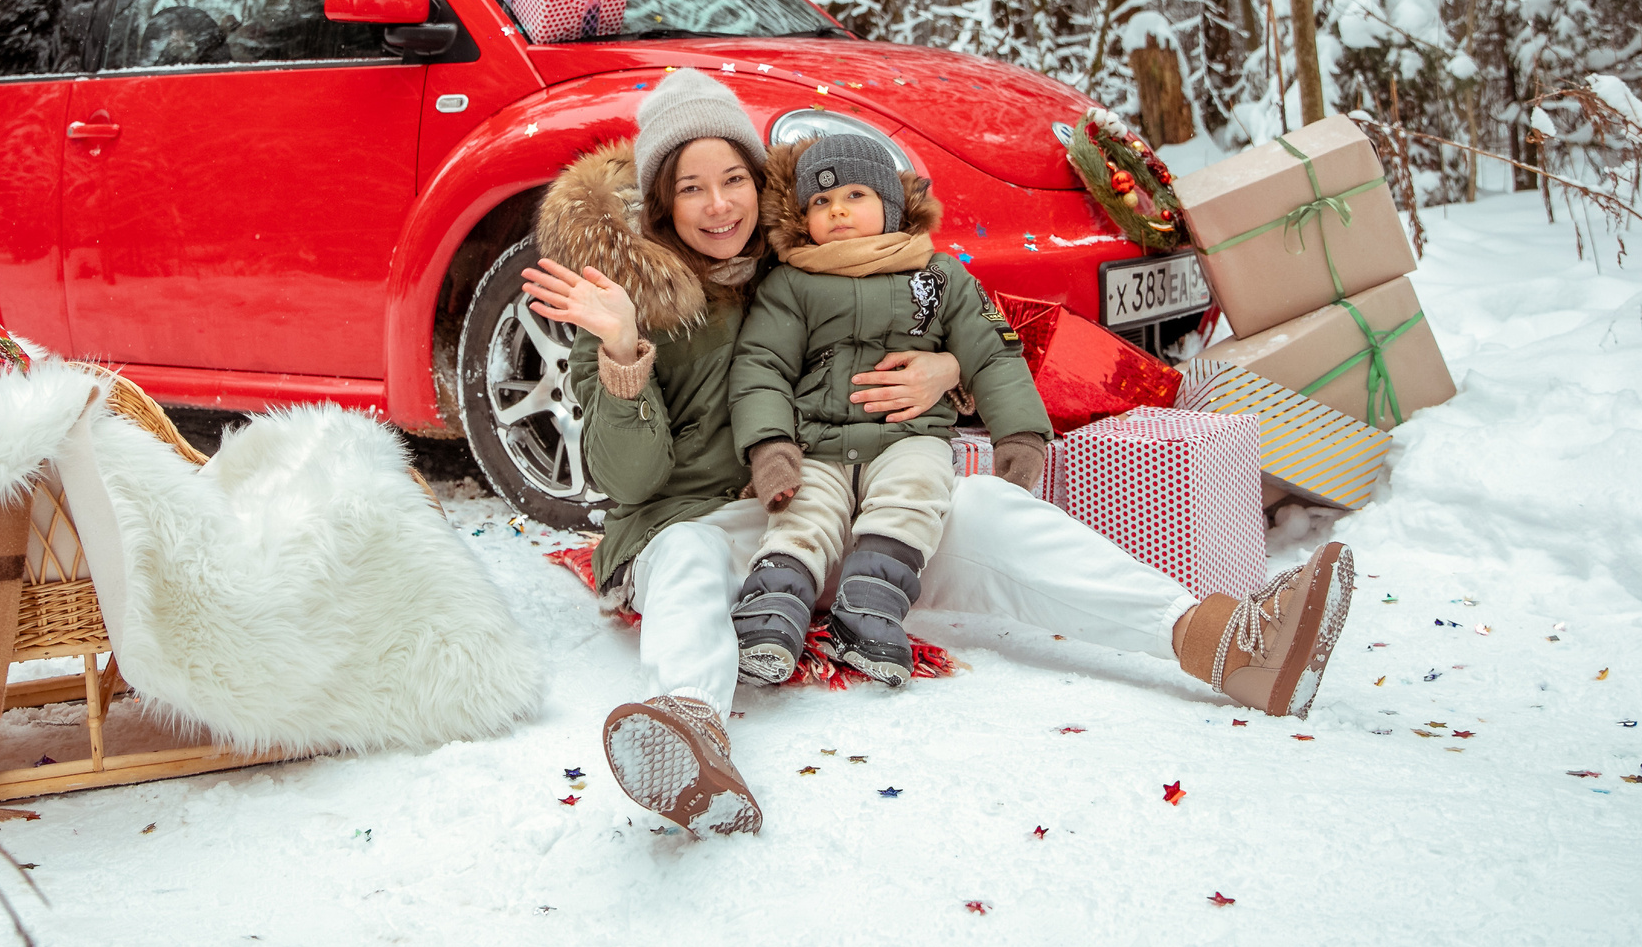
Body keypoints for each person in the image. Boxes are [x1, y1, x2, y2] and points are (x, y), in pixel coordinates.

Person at [520, 68, 1352, 838]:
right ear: (661, 203)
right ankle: (691, 730)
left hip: (831, 504)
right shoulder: (618, 302)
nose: (717, 205)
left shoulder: (807, 251)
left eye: (734, 178)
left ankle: (1221, 639)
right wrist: (626, 354)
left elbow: (948, 310)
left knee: (977, 502)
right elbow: (630, 481)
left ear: (761, 182)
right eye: (690, 187)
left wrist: (951, 367)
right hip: (701, 526)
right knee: (691, 553)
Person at [723, 130, 1051, 688]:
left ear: (891, 205)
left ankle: (871, 606)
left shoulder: (937, 276)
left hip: (907, 437)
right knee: (803, 512)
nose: (838, 212)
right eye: (821, 202)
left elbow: (992, 352)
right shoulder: (794, 283)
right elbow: (761, 367)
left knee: (916, 493)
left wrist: (1020, 435)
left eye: (856, 196)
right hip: (818, 441)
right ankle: (773, 609)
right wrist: (771, 446)